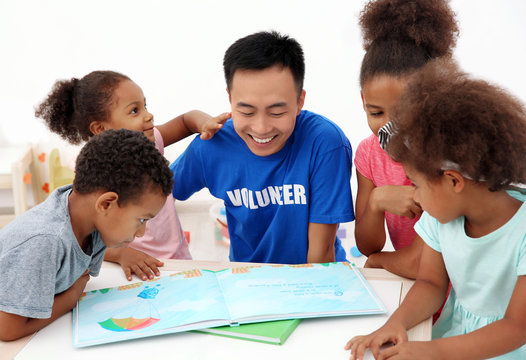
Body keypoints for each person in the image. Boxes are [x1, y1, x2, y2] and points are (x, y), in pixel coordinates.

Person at [345, 60, 526, 360]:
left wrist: (432, 352)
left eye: (416, 183)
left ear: (453, 181)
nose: (414, 194)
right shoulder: (443, 217)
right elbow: (430, 283)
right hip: (450, 337)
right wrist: (395, 324)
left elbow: (516, 328)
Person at [170, 31, 354, 264]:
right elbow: (155, 193)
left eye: (277, 112)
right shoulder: (212, 145)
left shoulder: (326, 143)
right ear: (230, 98)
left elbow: (322, 253)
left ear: (300, 101)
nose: (261, 128)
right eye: (246, 112)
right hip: (246, 276)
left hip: (315, 276)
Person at [35, 70, 229, 281]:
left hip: (177, 258)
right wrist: (121, 254)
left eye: (145, 106)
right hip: (135, 268)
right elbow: (82, 237)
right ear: (100, 128)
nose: (148, 115)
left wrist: (205, 123)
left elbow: (185, 120)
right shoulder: (96, 173)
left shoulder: (152, 140)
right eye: (134, 111)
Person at [0, 129, 174, 341]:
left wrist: (119, 254)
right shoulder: (45, 242)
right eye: (141, 220)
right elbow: (7, 330)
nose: (141, 232)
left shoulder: (89, 219)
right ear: (106, 203)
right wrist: (70, 299)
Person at [353, 0, 459, 279]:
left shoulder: (451, 153)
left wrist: (380, 261)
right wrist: (376, 201)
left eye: (404, 112)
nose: (389, 125)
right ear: (363, 101)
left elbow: (426, 262)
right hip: (412, 284)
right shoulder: (368, 154)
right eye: (375, 112)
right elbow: (367, 246)